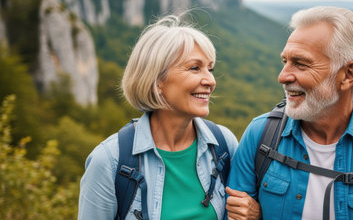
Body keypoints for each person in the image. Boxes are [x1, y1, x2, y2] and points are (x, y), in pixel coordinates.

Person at [226, 6, 353, 220]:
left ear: (348, 74)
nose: (282, 76)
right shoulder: (261, 135)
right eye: (285, 62)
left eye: (301, 64)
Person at [78, 15, 240, 219]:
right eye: (194, 68)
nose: (210, 80)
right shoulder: (109, 161)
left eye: (210, 68)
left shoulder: (223, 145)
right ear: (157, 80)